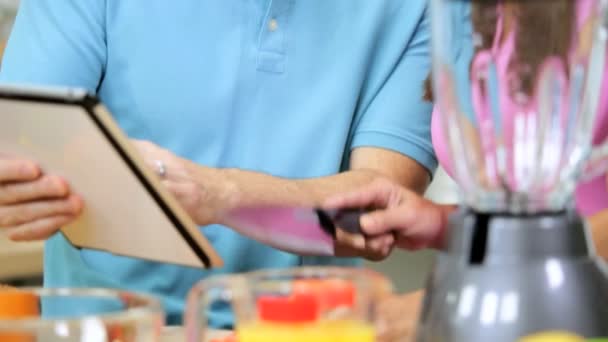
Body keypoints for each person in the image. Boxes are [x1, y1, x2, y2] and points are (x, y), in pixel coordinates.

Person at [0, 0, 435, 326]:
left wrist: (218, 194)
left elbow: (375, 216)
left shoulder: (422, 10)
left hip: (302, 330)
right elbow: (20, 140)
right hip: (111, 328)